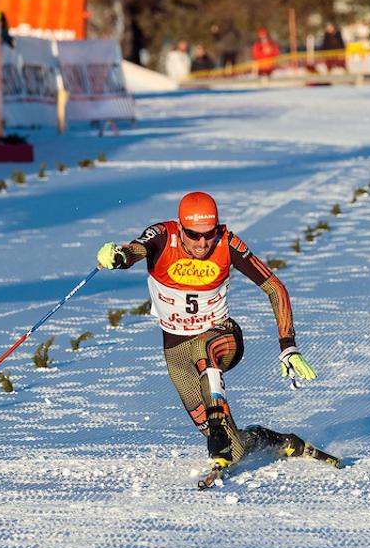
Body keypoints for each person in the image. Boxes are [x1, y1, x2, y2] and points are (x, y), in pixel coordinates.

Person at [94, 192, 318, 476]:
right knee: (235, 449)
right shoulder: (163, 236)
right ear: (180, 228)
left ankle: (217, 438)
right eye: (194, 235)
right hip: (176, 349)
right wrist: (119, 256)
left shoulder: (227, 243)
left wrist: (288, 346)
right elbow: (135, 250)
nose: (202, 243)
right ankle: (272, 439)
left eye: (209, 234)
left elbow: (275, 287)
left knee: (204, 348)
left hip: (222, 336)